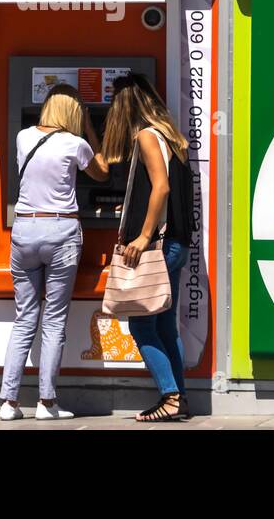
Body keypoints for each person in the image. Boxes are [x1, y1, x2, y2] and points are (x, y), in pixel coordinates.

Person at [0, 85, 109, 421]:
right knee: (54, 320)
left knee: (24, 319)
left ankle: (8, 402)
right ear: (73, 113)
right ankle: (47, 403)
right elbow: (102, 172)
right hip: (60, 232)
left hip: (25, 230)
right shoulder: (75, 144)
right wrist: (90, 128)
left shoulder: (22, 137)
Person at [101, 73, 196, 423]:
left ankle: (169, 396)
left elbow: (161, 189)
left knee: (142, 328)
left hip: (157, 246)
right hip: (177, 244)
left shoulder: (145, 135)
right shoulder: (173, 138)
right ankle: (181, 398)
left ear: (125, 105)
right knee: (165, 327)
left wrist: (142, 236)